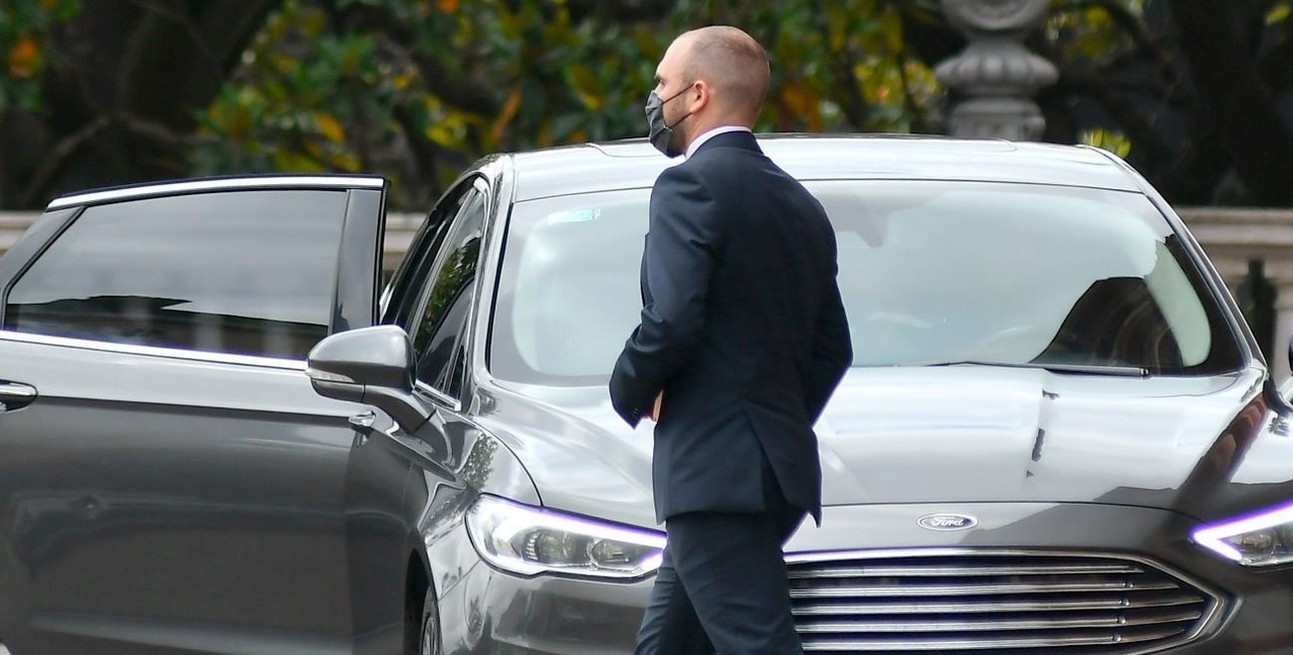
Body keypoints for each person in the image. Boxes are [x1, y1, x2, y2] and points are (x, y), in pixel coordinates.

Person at [608, 25, 854, 655]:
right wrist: (770, 419)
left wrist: (627, 388)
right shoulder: (800, 203)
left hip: (714, 474)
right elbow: (833, 348)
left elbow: (671, 320)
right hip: (768, 474)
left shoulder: (687, 185)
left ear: (697, 94)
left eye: (662, 84)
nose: (654, 98)